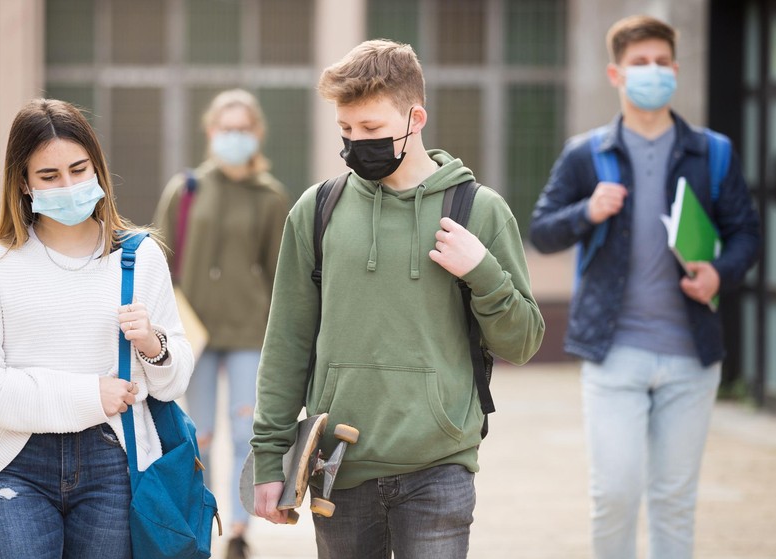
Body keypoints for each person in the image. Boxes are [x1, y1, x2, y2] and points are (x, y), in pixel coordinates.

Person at [250, 39, 544, 558]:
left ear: (416, 117)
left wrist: (483, 272)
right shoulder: (317, 210)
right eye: (345, 129)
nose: (355, 143)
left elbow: (522, 343)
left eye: (371, 129)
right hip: (337, 466)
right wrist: (270, 459)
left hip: (440, 465)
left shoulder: (480, 211)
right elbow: (286, 344)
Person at [529, 15, 761, 559]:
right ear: (616, 73)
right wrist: (588, 209)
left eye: (661, 63)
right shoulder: (587, 153)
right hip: (614, 354)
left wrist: (718, 273)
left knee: (675, 499)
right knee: (614, 493)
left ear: (676, 71)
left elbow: (746, 234)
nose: (652, 72)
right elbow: (541, 231)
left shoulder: (714, 152)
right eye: (640, 64)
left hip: (691, 354)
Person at [0, 98, 194, 558]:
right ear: (23, 182)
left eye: (80, 170)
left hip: (113, 461)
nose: (68, 185)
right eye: (49, 176)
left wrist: (153, 345)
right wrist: (87, 395)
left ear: (98, 168)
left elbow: (173, 381)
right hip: (16, 463)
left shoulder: (140, 258)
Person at [153, 88, 288, 559]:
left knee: (244, 432)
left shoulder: (270, 196)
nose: (234, 136)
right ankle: (201, 520)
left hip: (251, 329)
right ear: (210, 132)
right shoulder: (187, 189)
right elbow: (159, 262)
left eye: (243, 128)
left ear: (257, 133)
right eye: (225, 127)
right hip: (196, 334)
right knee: (200, 433)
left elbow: (281, 273)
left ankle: (238, 529)